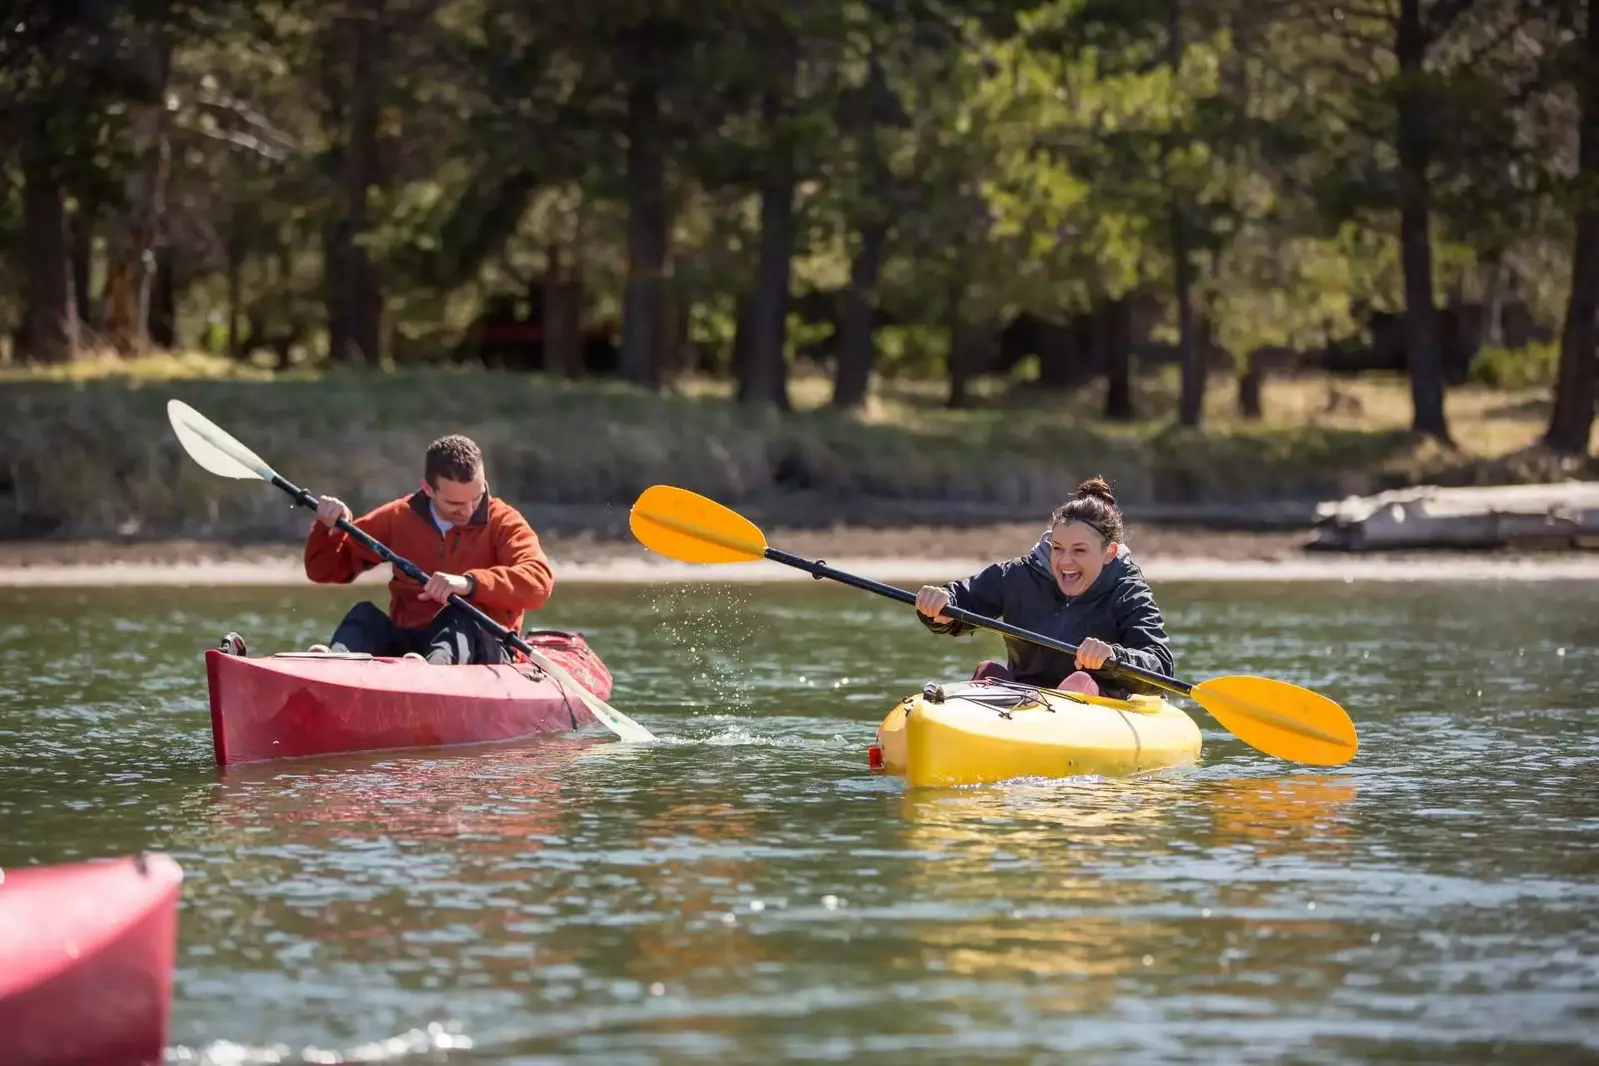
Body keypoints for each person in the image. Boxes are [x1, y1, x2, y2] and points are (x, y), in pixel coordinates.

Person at [302, 434, 555, 665]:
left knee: (459, 616)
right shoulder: (397, 517)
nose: (467, 511)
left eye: (476, 498)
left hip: (483, 647)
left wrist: (469, 584)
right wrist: (329, 529)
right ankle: (335, 664)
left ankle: (432, 670)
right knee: (364, 615)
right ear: (428, 489)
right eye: (454, 503)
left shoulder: (504, 521)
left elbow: (539, 582)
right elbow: (323, 571)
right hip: (410, 647)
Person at [913, 476, 1173, 697]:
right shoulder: (1018, 576)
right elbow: (960, 602)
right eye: (1057, 549)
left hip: (1095, 705)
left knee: (1079, 684)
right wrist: (938, 607)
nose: (1065, 561)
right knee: (988, 672)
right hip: (1020, 704)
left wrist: (1114, 657)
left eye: (1079, 551)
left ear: (1109, 553)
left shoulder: (1128, 591)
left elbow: (1160, 665)